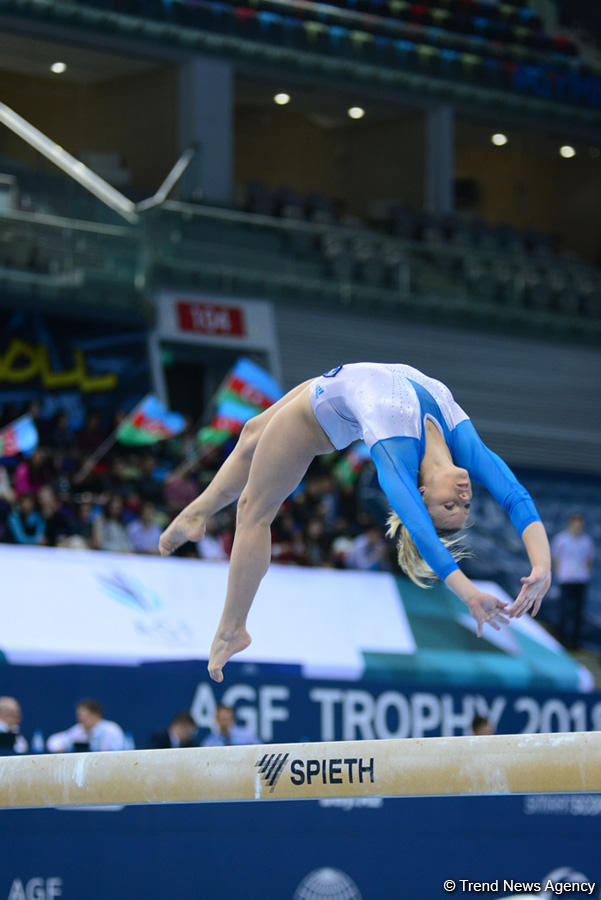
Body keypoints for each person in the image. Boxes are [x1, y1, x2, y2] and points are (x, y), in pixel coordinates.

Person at [159, 363, 551, 682]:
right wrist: (541, 566)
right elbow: (516, 497)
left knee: (253, 513)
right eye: (464, 504)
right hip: (340, 382)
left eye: (451, 505)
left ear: (422, 495)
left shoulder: (397, 457)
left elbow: (422, 534)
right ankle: (195, 514)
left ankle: (231, 628)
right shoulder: (463, 445)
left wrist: (467, 593)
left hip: (315, 416)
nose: (464, 497)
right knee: (250, 435)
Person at [551, 513, 595, 650]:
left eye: (580, 525)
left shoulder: (587, 541)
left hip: (581, 581)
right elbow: (555, 559)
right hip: (566, 580)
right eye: (575, 524)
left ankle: (574, 644)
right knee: (564, 611)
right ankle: (560, 642)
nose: (577, 527)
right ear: (570, 524)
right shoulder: (560, 540)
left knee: (578, 613)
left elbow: (589, 560)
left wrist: (583, 573)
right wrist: (562, 574)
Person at [46, 699, 126, 752]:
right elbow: (53, 741)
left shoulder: (111, 730)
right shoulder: (78, 730)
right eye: (79, 716)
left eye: (84, 716)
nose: (80, 719)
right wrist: (59, 748)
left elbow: (117, 753)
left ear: (96, 715)